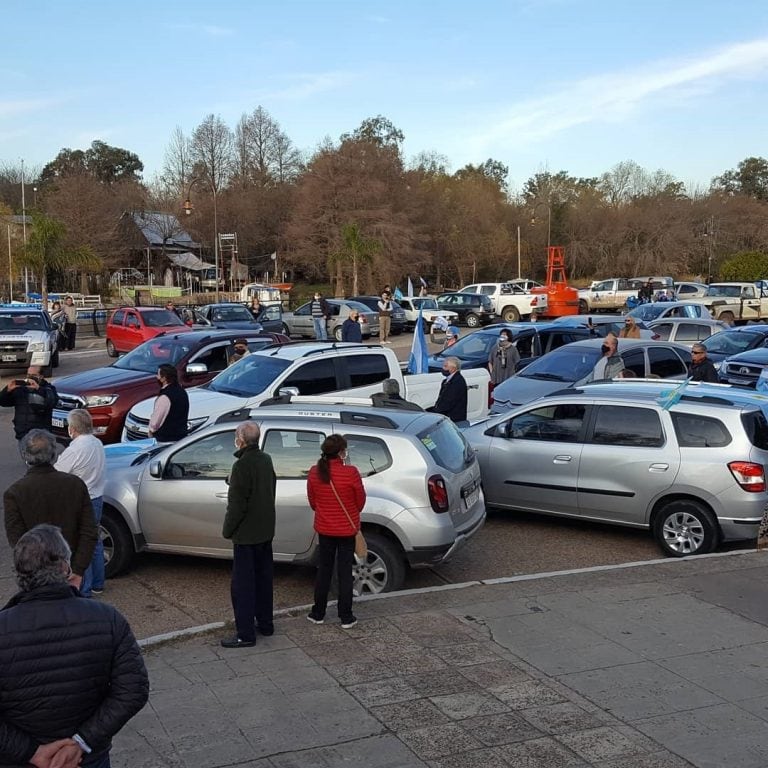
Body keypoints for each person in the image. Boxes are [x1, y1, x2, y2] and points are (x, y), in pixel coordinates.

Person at [0, 524, 148, 767]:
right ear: (65, 568)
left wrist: (32, 752)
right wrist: (81, 742)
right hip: (87, 758)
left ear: (19, 573)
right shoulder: (108, 619)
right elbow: (133, 689)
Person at [4, 429, 97, 591]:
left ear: (25, 456)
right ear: (53, 454)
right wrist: (78, 570)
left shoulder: (15, 492)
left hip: (36, 575)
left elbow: (17, 541)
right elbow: (89, 531)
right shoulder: (75, 484)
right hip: (71, 568)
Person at [220, 422, 277, 648]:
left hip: (246, 535)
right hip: (265, 530)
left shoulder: (241, 466)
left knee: (243, 586)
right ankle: (266, 624)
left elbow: (237, 505)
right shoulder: (266, 459)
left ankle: (245, 633)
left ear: (241, 439)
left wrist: (227, 530)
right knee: (264, 581)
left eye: (236, 435)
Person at [306, 434, 365, 629]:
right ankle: (346, 616)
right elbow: (360, 502)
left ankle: (318, 613)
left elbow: (313, 502)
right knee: (345, 572)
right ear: (342, 452)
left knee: (324, 570)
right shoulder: (351, 473)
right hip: (347, 530)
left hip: (325, 528)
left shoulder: (315, 472)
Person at [54, 409, 107, 598]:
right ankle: (98, 583)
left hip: (79, 500)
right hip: (97, 497)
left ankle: (84, 588)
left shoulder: (75, 449)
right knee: (95, 540)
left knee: (80, 544)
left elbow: (57, 474)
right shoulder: (97, 443)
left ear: (73, 428)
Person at [0, 365, 58, 441]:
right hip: (23, 435)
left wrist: (38, 389)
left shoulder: (48, 388)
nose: (30, 378)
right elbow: (3, 402)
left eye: (33, 375)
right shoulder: (20, 389)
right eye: (28, 375)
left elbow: (53, 401)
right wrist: (7, 390)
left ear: (41, 376)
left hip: (42, 436)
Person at [148, 363, 190, 442]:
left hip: (165, 439)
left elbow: (156, 421)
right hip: (181, 438)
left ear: (164, 378)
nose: (157, 377)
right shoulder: (182, 392)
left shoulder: (165, 397)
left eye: (158, 375)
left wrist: (151, 431)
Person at [427, 356, 468, 424]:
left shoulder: (458, 381)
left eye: (445, 366)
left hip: (454, 419)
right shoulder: (446, 381)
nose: (443, 368)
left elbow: (449, 401)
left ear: (453, 368)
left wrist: (435, 412)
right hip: (447, 416)